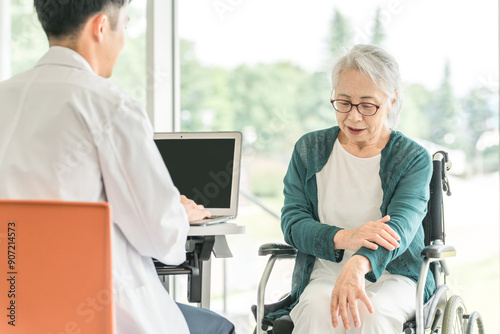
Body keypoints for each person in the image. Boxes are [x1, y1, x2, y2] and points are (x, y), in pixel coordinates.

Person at [0, 1, 235, 333]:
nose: (123, 39)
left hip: (15, 313)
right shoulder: (110, 105)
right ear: (100, 27)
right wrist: (179, 213)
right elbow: (161, 238)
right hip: (105, 317)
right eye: (124, 25)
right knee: (219, 327)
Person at [279, 44, 436, 333]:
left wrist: (359, 263)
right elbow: (293, 223)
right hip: (325, 273)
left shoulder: (412, 158)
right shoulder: (308, 149)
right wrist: (348, 238)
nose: (353, 117)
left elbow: (400, 227)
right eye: (343, 102)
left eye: (367, 105)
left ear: (392, 100)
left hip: (396, 276)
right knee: (318, 309)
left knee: (374, 313)